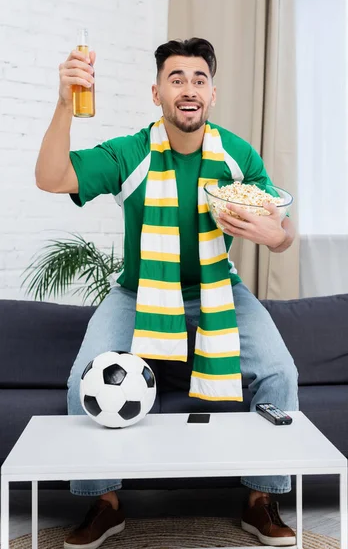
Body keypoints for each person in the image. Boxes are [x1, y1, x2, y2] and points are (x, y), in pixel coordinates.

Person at [36, 37, 299, 548]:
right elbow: (51, 177)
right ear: (156, 92)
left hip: (219, 289)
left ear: (213, 95)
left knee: (279, 372)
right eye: (176, 79)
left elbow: (283, 228)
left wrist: (277, 236)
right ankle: (104, 502)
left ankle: (261, 499)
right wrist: (65, 103)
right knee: (80, 381)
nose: (188, 89)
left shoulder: (237, 156)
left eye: (199, 79)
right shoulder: (132, 152)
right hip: (138, 292)